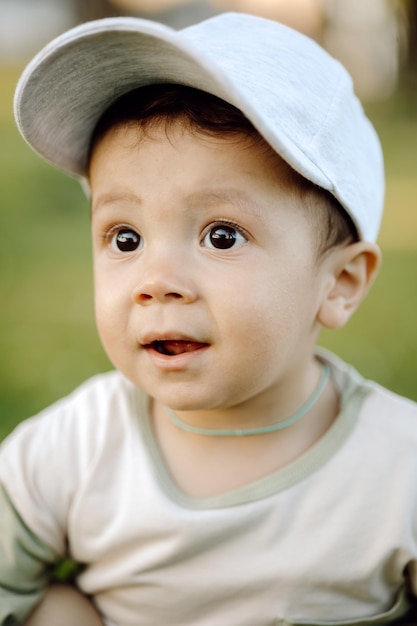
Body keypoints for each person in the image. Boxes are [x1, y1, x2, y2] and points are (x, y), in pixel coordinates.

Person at [1, 11, 417, 626]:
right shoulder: (72, 450)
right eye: (124, 238)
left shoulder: (399, 468)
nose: (156, 281)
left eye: (222, 235)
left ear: (338, 283)